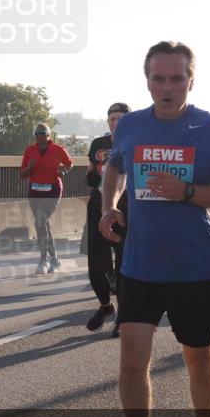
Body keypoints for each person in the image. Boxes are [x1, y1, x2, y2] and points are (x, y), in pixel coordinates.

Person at [99, 41, 210, 417]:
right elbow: (115, 170)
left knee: (200, 361)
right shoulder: (133, 126)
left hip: (194, 264)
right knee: (131, 363)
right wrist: (110, 206)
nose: (166, 86)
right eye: (158, 78)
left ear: (191, 79)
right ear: (147, 80)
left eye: (176, 78)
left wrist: (186, 192)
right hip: (140, 263)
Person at [85, 103, 130, 335]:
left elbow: (129, 176)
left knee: (122, 267)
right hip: (97, 207)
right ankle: (105, 306)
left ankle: (123, 316)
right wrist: (92, 176)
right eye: (112, 118)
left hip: (125, 210)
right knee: (95, 267)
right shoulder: (98, 144)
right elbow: (90, 172)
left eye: (121, 118)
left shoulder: (135, 144)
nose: (115, 122)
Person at [20, 123, 73, 275]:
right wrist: (30, 167)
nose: (39, 136)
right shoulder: (30, 150)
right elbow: (22, 174)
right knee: (44, 225)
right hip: (34, 191)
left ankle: (43, 260)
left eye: (42, 133)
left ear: (49, 134)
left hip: (53, 190)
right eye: (36, 133)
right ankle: (55, 259)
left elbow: (69, 164)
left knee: (39, 222)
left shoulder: (58, 149)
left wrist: (65, 171)